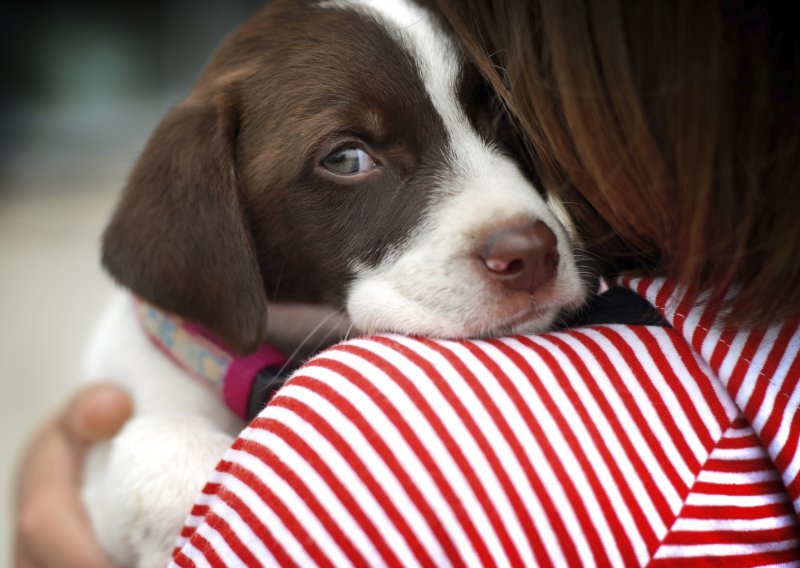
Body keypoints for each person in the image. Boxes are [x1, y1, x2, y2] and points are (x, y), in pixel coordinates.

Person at [15, 0, 799, 565]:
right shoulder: (153, 355)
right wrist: (144, 460)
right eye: (348, 158)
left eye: (497, 119)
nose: (518, 232)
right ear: (210, 212)